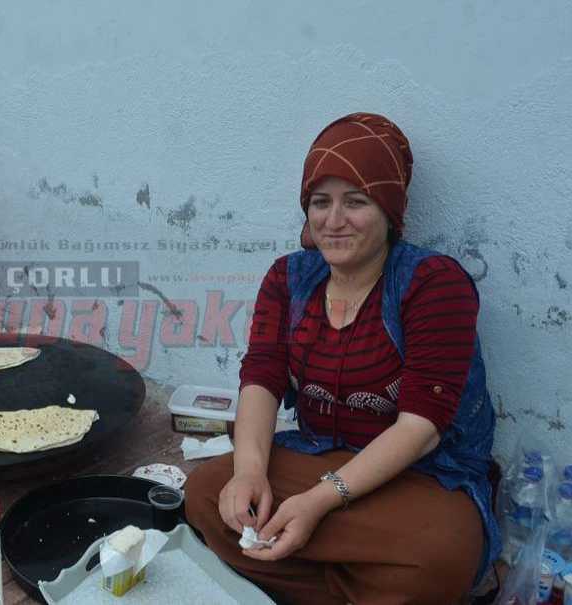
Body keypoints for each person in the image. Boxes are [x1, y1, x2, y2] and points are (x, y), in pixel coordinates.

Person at [184, 113, 498, 605]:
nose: (333, 221)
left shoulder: (434, 283)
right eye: (320, 202)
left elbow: (422, 428)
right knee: (206, 492)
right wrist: (248, 470)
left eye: (356, 202)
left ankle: (303, 564)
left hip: (419, 474)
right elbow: (262, 376)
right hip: (318, 454)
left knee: (441, 555)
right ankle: (353, 582)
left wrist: (315, 503)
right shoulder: (287, 278)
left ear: (388, 210)